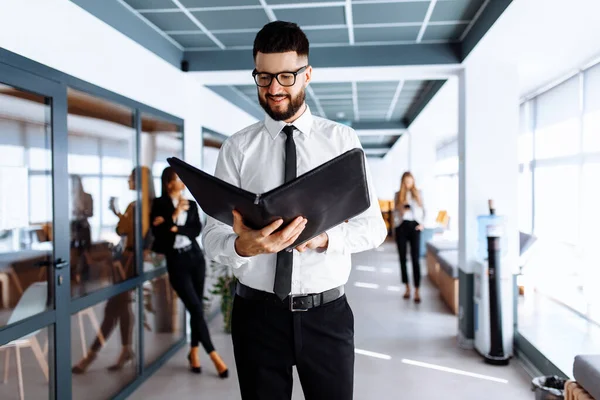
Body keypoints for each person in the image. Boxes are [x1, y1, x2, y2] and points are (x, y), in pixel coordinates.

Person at [202, 21, 387, 400]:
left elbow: (374, 229)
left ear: (307, 74)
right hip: (256, 317)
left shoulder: (342, 141)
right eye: (264, 77)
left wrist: (325, 239)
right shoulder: (237, 149)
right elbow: (211, 237)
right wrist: (242, 247)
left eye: (286, 76)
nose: (274, 88)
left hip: (326, 315)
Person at [72, 166, 154, 374]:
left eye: (131, 177)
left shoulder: (141, 206)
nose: (128, 180)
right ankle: (125, 350)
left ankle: (91, 355)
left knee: (112, 309)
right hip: (126, 259)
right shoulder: (140, 205)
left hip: (127, 262)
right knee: (120, 306)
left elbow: (128, 231)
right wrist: (118, 212)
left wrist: (117, 212)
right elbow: (124, 230)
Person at [150, 167, 228, 378]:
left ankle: (194, 352)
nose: (183, 182)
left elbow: (196, 231)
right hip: (176, 261)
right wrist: (174, 217)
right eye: (178, 178)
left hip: (195, 258)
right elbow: (157, 235)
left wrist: (172, 226)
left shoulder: (191, 204)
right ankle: (214, 355)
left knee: (196, 308)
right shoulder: (159, 204)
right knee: (195, 307)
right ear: (168, 183)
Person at [394, 171, 425, 303]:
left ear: (413, 181)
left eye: (410, 181)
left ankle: (417, 289)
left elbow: (424, 210)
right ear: (402, 182)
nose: (408, 184)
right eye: (405, 182)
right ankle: (407, 287)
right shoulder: (397, 195)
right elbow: (394, 213)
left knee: (415, 259)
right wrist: (401, 208)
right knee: (402, 258)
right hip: (402, 226)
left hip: (415, 226)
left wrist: (423, 224)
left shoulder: (418, 194)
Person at [70, 175, 93, 286]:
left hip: (83, 227)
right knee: (74, 253)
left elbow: (91, 213)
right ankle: (74, 276)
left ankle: (84, 276)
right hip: (72, 228)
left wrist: (82, 211)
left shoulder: (87, 197)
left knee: (85, 252)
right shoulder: (69, 198)